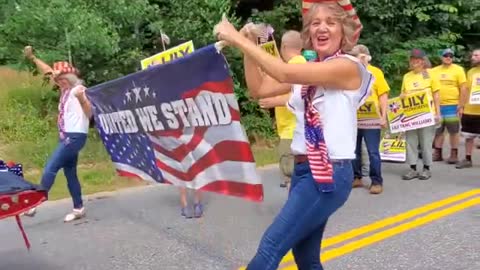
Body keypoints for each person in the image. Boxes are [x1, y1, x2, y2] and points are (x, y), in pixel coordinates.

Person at [214, 0, 373, 269]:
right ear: (308, 33)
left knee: (270, 249)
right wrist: (248, 44)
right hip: (302, 171)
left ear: (343, 32)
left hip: (329, 172)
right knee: (306, 258)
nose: (321, 28)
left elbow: (283, 70)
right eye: (315, 23)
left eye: (330, 23)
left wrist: (235, 38)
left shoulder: (348, 67)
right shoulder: (309, 79)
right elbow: (260, 88)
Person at [22, 46, 91, 222]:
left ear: (70, 77)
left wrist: (82, 99)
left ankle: (34, 203)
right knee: (70, 173)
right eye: (57, 79)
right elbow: (47, 71)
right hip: (67, 135)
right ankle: (79, 208)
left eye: (62, 78)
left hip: (75, 137)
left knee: (50, 168)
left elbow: (90, 114)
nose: (59, 81)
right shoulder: (65, 89)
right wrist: (33, 58)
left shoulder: (79, 89)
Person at [247, 30, 306, 189]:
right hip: (293, 130)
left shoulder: (296, 65)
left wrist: (273, 101)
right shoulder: (298, 65)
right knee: (295, 176)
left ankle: (296, 211)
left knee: (291, 174)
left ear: (284, 46)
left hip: (292, 131)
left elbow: (299, 96)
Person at [349, 44, 390, 194]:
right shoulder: (351, 72)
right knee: (353, 150)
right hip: (354, 117)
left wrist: (383, 116)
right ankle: (356, 177)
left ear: (366, 57)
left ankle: (376, 181)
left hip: (372, 119)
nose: (356, 60)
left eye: (358, 57)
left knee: (373, 151)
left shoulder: (376, 72)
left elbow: (383, 95)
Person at [400, 49, 441, 180]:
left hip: (427, 114)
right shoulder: (407, 76)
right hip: (411, 115)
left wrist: (437, 113)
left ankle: (426, 168)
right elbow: (403, 95)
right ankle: (412, 168)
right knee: (410, 141)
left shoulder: (430, 75)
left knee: (426, 141)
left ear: (423, 61)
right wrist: (402, 96)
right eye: (412, 59)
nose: (414, 62)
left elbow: (436, 94)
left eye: (417, 60)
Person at [431, 48, 467, 163]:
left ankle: (454, 154)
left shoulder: (459, 70)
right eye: (446, 55)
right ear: (441, 57)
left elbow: (463, 88)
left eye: (451, 56)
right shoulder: (433, 71)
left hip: (453, 105)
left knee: (454, 131)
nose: (448, 57)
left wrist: (461, 105)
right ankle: (437, 153)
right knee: (438, 130)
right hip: (437, 106)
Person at [456, 48, 480, 169]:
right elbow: (464, 91)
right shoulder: (470, 72)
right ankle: (468, 159)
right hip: (469, 110)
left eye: (476, 55)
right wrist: (461, 106)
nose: (473, 57)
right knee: (468, 136)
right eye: (473, 55)